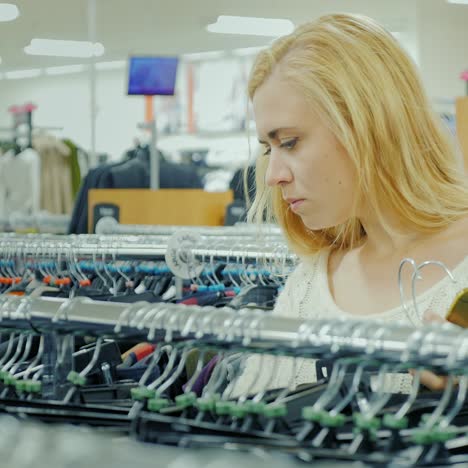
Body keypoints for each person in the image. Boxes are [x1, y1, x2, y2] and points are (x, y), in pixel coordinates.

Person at [232, 13, 468, 396]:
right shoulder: (307, 286)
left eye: (289, 142)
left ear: (366, 125)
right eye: (267, 149)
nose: (273, 175)